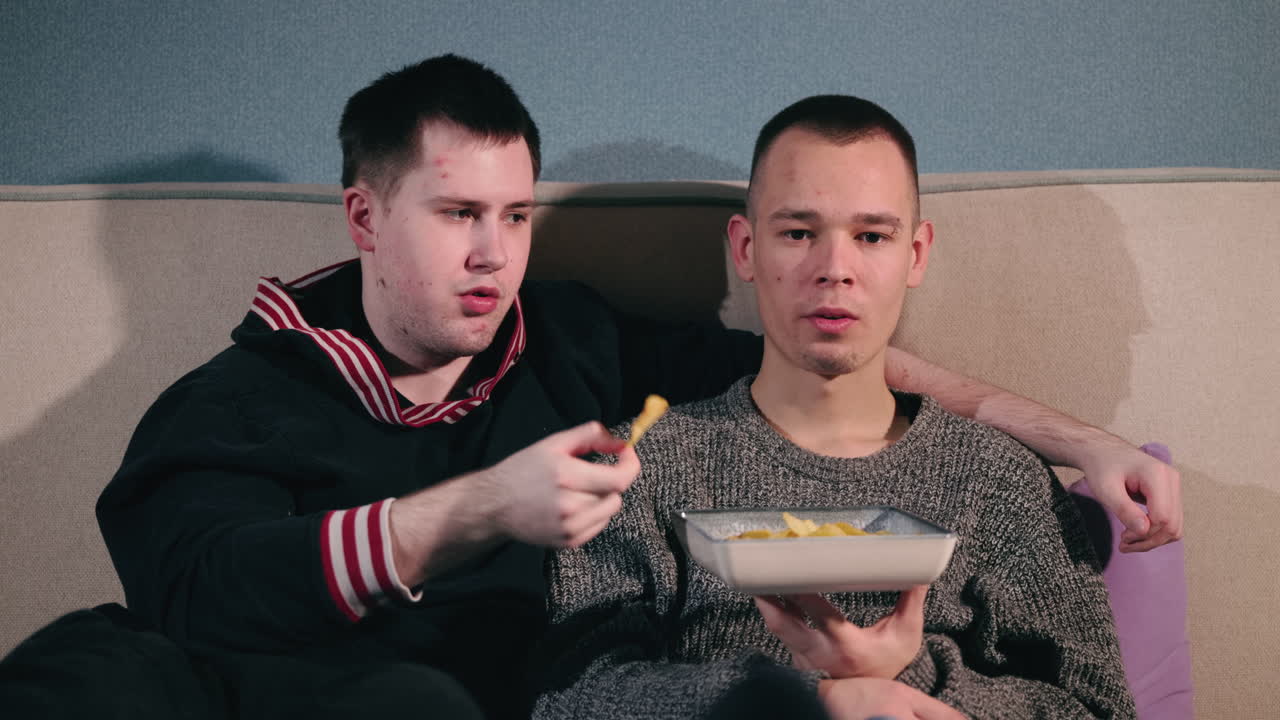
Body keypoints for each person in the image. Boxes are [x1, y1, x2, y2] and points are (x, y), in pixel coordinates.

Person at [0, 56, 1165, 718]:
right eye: (457, 214)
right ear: (364, 216)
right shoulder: (238, 397)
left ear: (911, 252)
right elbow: (194, 588)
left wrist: (1076, 443)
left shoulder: (578, 347)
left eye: (513, 216)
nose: (492, 255)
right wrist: (478, 510)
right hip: (192, 677)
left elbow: (826, 349)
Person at [532, 95, 1136, 719]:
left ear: (916, 255)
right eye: (798, 233)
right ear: (745, 249)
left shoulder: (998, 481)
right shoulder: (644, 466)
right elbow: (571, 697)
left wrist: (908, 678)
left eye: (872, 236)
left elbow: (1099, 708)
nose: (835, 269)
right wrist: (808, 697)